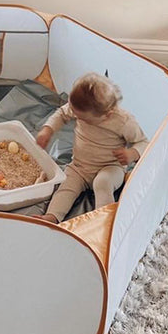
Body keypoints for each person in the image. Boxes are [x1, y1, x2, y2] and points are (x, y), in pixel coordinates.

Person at [36, 72, 148, 223]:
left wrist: (132, 153)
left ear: (107, 115)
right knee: (65, 186)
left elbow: (143, 142)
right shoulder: (78, 108)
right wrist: (47, 129)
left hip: (110, 167)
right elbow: (62, 113)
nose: (75, 116)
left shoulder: (123, 122)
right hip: (79, 166)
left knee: (102, 183)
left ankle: (103, 222)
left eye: (82, 118)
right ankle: (52, 217)